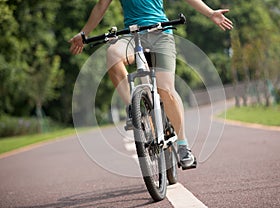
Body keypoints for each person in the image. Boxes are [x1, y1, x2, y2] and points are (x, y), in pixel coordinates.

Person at [69, 0, 233, 169]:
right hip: (132, 35)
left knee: (166, 90)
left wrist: (210, 13)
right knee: (112, 55)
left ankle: (183, 146)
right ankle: (134, 109)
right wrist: (84, 34)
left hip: (160, 33)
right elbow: (101, 6)